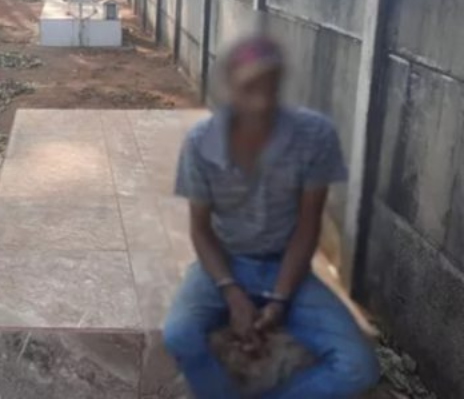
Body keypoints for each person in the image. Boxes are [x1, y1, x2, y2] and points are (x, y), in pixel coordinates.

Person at [162, 35, 380, 398]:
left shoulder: (314, 136)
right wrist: (231, 292)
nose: (262, 101)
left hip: (286, 265)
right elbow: (200, 230)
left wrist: (280, 299)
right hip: (226, 263)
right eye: (250, 88)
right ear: (229, 88)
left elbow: (308, 225)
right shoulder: (201, 142)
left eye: (271, 85)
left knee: (358, 366)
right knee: (179, 334)